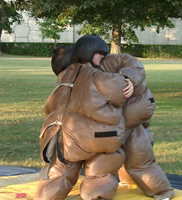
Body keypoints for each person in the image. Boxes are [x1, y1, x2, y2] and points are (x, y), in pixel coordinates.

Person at [72, 35, 174, 200]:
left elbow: (135, 65)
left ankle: (161, 192)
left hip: (130, 115)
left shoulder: (112, 62)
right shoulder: (82, 73)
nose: (103, 56)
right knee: (108, 157)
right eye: (99, 53)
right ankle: (100, 193)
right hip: (111, 125)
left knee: (139, 157)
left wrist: (129, 79)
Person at [34, 43, 138, 200]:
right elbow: (120, 91)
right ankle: (97, 194)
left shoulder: (62, 83)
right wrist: (129, 80)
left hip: (64, 140)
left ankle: (46, 195)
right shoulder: (94, 75)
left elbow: (49, 109)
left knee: (59, 174)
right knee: (100, 174)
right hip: (98, 139)